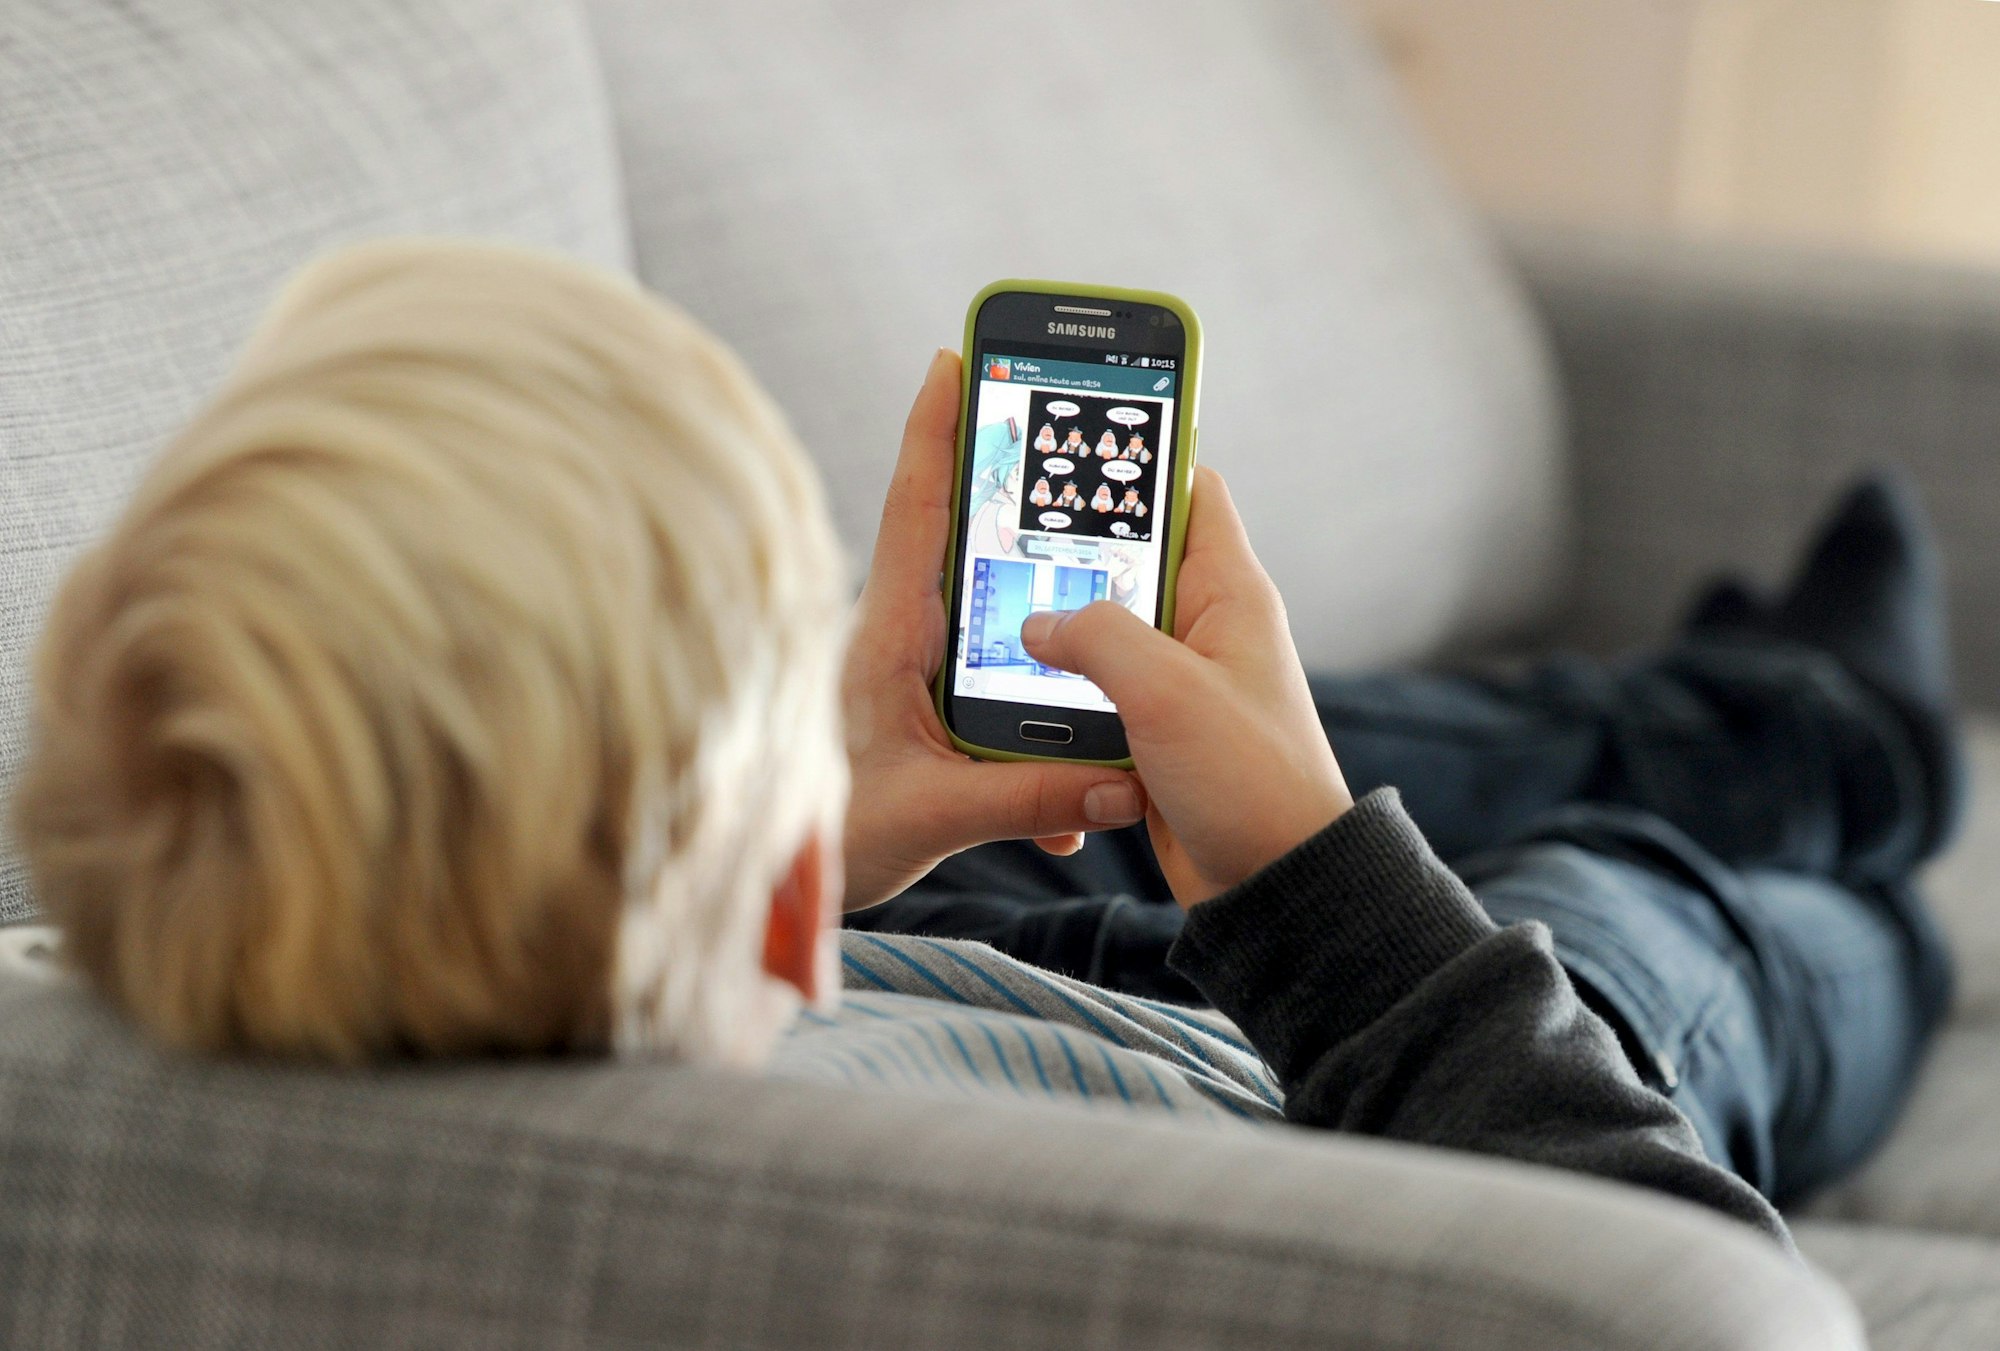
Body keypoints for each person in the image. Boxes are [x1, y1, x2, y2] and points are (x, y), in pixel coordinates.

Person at [15, 240, 1960, 1260]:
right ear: (765, 897)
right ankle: (1831, 780)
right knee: (1607, 898)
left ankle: (1770, 725)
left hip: (937, 969)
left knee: (1136, 752)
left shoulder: (162, 967)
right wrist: (1327, 901)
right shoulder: (985, 1248)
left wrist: (819, 838)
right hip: (1367, 1069)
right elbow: (1683, 1305)